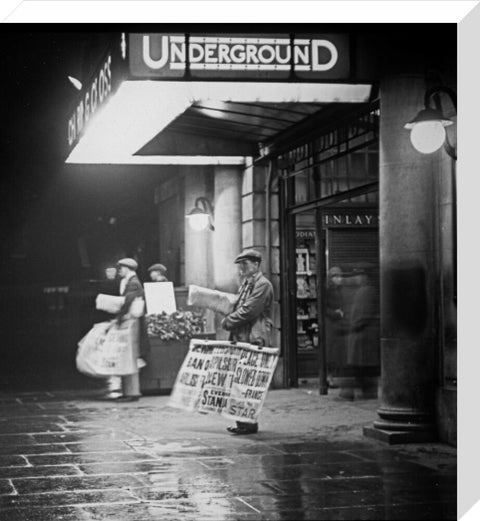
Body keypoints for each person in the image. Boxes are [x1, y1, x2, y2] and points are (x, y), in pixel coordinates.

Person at [221, 249, 274, 435]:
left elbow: (250, 310)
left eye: (245, 264)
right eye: (240, 265)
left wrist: (228, 321)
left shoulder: (263, 284)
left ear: (257, 265)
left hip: (254, 338)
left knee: (248, 383)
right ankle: (242, 422)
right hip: (242, 336)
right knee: (239, 382)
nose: (241, 268)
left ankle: (249, 424)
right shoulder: (246, 283)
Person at [342, 266, 380, 399]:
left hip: (364, 335)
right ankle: (365, 392)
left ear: (365, 277)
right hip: (361, 334)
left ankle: (367, 392)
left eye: (359, 275)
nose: (357, 278)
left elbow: (363, 313)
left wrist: (354, 325)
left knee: (364, 367)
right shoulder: (363, 290)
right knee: (362, 367)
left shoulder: (367, 291)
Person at [115, 257, 145, 402]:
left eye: (120, 268)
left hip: (130, 321)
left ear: (127, 268)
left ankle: (133, 392)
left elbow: (127, 302)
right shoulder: (128, 281)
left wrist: (118, 316)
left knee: (130, 356)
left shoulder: (132, 283)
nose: (119, 271)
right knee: (126, 356)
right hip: (128, 321)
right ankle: (128, 391)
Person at [325, 266, 347, 387]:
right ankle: (329, 377)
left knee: (336, 351)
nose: (340, 279)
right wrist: (336, 313)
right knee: (330, 351)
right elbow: (324, 307)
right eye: (336, 277)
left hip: (337, 324)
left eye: (340, 276)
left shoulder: (339, 290)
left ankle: (332, 376)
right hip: (330, 324)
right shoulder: (328, 290)